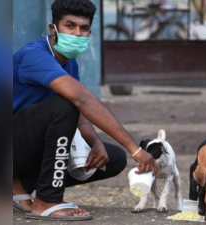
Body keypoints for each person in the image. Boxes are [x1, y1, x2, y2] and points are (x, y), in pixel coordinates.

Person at [13, 0, 158, 221]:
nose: (77, 34)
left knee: (112, 157)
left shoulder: (69, 62)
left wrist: (96, 142)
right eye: (69, 26)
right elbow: (80, 100)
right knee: (63, 106)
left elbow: (78, 113)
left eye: (84, 28)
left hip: (24, 145)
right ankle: (46, 200)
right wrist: (134, 149)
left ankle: (18, 185)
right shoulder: (35, 55)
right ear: (54, 29)